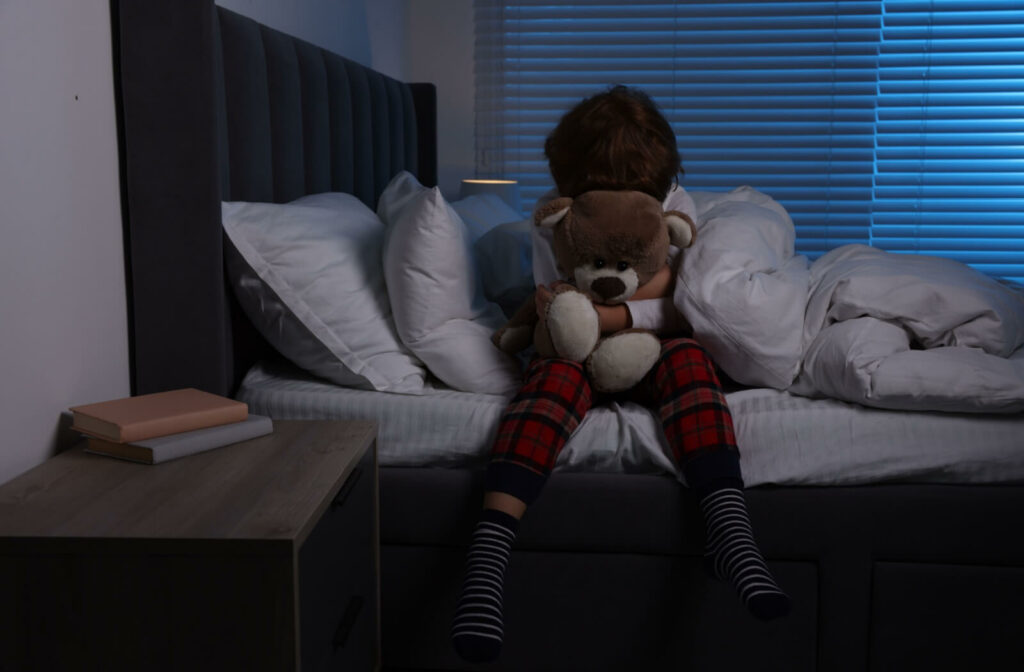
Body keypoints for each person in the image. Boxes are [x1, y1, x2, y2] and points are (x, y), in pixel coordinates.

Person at [450, 85, 790, 664]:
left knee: (690, 362)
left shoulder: (677, 208)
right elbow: (560, 296)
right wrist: (597, 316)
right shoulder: (554, 216)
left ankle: (732, 533)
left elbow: (688, 302)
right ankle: (490, 552)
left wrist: (619, 314)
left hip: (654, 343)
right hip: (578, 345)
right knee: (552, 378)